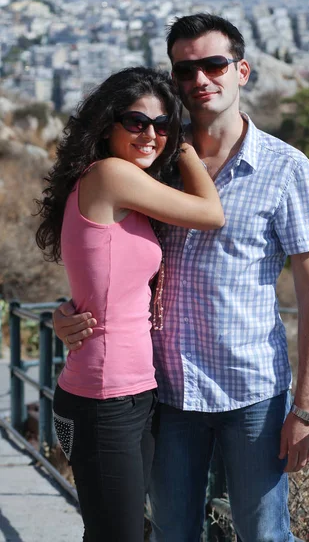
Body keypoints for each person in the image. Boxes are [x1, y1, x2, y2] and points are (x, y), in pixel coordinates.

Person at [53, 15, 309, 542]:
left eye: (214, 64)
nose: (201, 78)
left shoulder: (287, 168)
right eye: (186, 69)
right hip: (166, 392)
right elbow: (110, 257)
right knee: (171, 534)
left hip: (251, 391)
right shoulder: (150, 164)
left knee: (264, 535)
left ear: (242, 70)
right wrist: (68, 312)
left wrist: (308, 409)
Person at [35, 66, 224, 542]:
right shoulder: (110, 175)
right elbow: (211, 214)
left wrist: (66, 311)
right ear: (106, 123)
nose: (150, 135)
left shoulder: (123, 191)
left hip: (132, 391)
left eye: (161, 125)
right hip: (104, 397)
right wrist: (181, 143)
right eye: (136, 122)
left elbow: (105, 277)